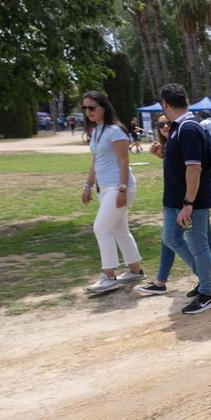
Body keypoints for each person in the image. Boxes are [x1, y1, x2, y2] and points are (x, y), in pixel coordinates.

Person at [149, 85, 211, 314]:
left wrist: (188, 203)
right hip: (179, 199)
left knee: (198, 244)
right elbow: (183, 162)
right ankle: (206, 279)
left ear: (165, 104)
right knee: (172, 238)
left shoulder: (188, 128)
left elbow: (194, 168)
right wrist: (164, 153)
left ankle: (208, 292)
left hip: (191, 200)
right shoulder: (182, 128)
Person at [79, 90, 144, 293]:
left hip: (119, 186)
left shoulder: (116, 131)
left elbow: (124, 162)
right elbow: (95, 161)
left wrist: (122, 190)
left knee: (101, 229)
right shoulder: (96, 130)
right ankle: (135, 271)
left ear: (103, 107)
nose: (88, 111)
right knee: (119, 230)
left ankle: (109, 276)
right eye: (84, 108)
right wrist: (88, 186)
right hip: (105, 188)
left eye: (91, 107)